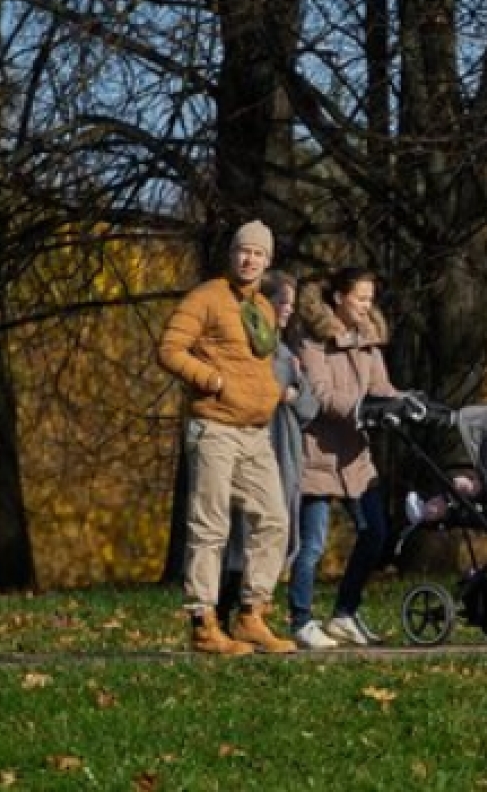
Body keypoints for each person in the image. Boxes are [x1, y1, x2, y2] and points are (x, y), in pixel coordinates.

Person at [156, 220, 297, 655]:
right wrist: (212, 380)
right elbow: (169, 349)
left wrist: (274, 393)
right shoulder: (206, 298)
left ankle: (252, 615)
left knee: (274, 520)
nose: (249, 259)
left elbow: (261, 364)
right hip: (215, 427)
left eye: (257, 253)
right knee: (210, 525)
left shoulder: (264, 308)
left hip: (255, 432)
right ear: (231, 254)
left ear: (267, 260)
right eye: (243, 251)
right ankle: (204, 623)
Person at [289, 267, 395, 648]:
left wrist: (406, 403)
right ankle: (300, 620)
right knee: (312, 543)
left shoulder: (368, 339)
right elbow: (318, 392)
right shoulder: (311, 337)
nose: (368, 306)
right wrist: (363, 409)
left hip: (355, 456)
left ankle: (345, 613)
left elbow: (381, 387)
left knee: (376, 533)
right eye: (361, 298)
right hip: (317, 452)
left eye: (370, 299)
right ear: (338, 298)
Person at [215, 270, 320, 628]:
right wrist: (283, 392)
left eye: (291, 303)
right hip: (252, 441)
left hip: (285, 446)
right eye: (281, 302)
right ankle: (225, 614)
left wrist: (293, 392)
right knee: (245, 532)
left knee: (277, 528)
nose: (288, 310)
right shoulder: (245, 345)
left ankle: (253, 614)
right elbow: (251, 390)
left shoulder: (286, 350)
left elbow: (309, 406)